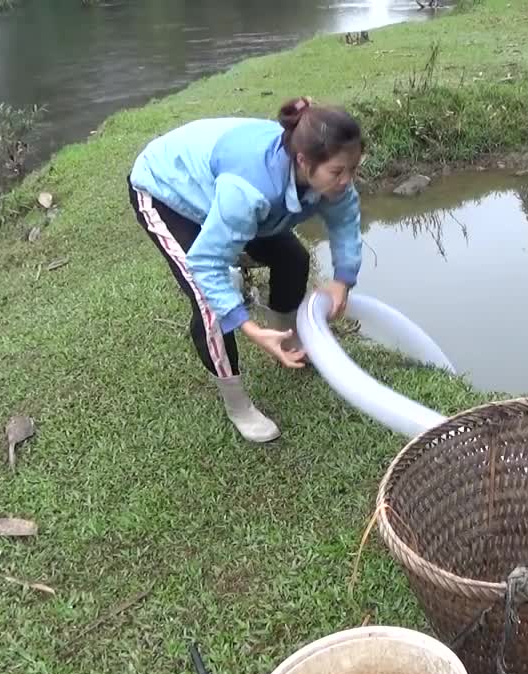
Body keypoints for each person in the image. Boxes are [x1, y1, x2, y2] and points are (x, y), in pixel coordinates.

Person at [126, 97, 364, 443]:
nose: (346, 180)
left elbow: (345, 223)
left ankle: (287, 340)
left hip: (222, 185)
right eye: (338, 173)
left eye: (352, 169)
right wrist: (249, 327)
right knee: (211, 307)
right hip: (169, 188)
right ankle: (237, 404)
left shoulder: (331, 177)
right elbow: (206, 263)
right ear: (303, 161)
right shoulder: (251, 190)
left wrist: (343, 280)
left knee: (293, 260)